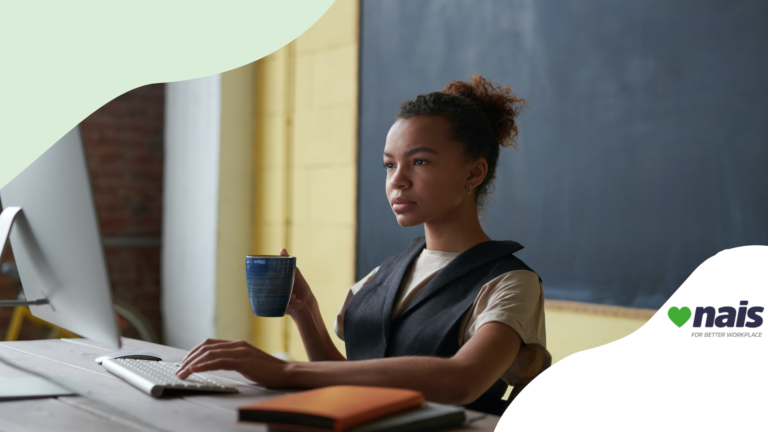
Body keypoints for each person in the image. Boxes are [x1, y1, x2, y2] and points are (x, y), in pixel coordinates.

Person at [177, 74, 550, 416]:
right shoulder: (385, 272)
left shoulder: (511, 282)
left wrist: (285, 370)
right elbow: (347, 377)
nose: (397, 181)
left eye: (419, 161)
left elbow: (462, 379)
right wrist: (307, 313)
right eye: (389, 165)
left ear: (474, 172)